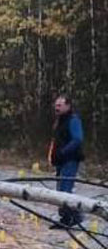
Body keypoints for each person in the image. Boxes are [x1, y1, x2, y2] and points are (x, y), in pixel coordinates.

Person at [48, 95, 84, 229]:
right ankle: (66, 217)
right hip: (60, 161)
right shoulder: (60, 121)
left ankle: (74, 216)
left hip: (70, 160)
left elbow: (77, 139)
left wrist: (63, 152)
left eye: (60, 105)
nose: (57, 108)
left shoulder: (73, 120)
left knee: (65, 189)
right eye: (56, 105)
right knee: (60, 189)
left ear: (68, 106)